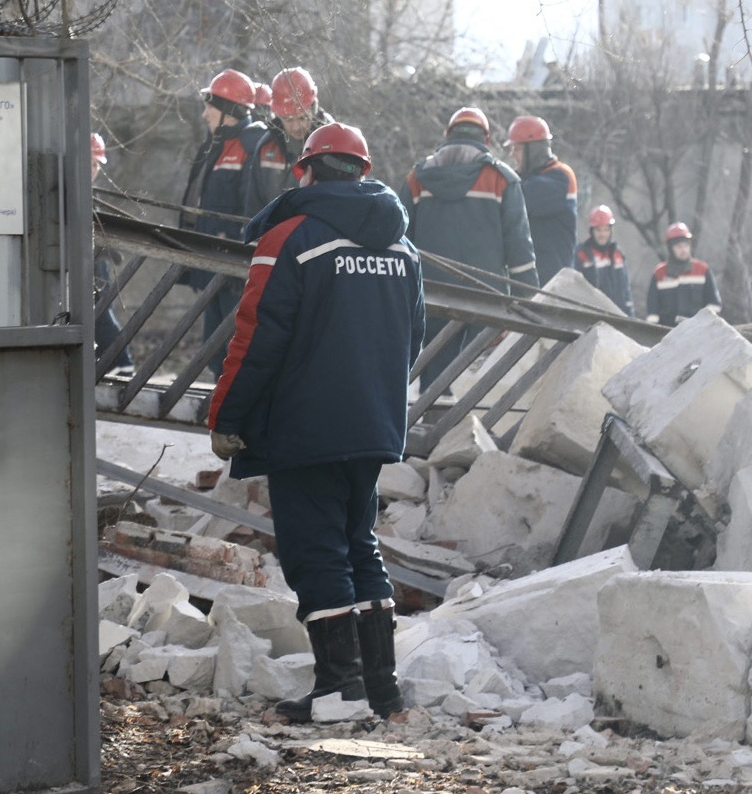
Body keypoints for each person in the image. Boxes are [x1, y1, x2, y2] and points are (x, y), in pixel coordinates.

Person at [207, 122, 423, 723]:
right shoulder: (402, 247)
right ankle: (382, 692)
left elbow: (256, 338)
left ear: (305, 170)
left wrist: (227, 414)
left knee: (315, 552)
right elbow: (413, 338)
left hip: (305, 428)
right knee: (361, 546)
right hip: (373, 426)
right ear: (364, 171)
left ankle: (339, 691)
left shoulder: (291, 236)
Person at [398, 106, 536, 387]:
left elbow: (400, 241)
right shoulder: (502, 179)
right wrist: (527, 300)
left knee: (435, 379)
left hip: (431, 297)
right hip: (486, 298)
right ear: (485, 139)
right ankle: (468, 428)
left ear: (448, 135)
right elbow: (518, 245)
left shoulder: (417, 178)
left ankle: (432, 423)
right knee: (475, 383)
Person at [179, 68, 267, 376]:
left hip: (235, 268)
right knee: (215, 349)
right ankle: (218, 412)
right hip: (212, 262)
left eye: (210, 106)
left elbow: (253, 208)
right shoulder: (214, 145)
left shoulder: (252, 144)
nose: (204, 115)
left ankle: (230, 415)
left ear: (228, 110)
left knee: (234, 348)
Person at [243, 67, 335, 213]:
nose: (296, 126)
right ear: (277, 114)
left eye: (302, 117)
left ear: (313, 108)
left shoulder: (335, 144)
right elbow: (254, 206)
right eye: (288, 119)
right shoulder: (266, 146)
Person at [505, 115, 577, 285]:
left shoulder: (560, 176)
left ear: (534, 150)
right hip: (531, 281)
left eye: (517, 149)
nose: (512, 155)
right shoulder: (528, 179)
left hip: (553, 285)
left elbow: (518, 198)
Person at [91, 132, 133, 374]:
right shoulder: (71, 191)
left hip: (97, 265)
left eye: (96, 165)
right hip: (87, 266)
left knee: (103, 311)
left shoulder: (90, 192)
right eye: (90, 164)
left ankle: (120, 364)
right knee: (100, 313)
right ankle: (118, 363)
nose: (94, 170)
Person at [646, 222, 721, 326]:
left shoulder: (702, 270)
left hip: (698, 332)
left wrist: (704, 324)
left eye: (686, 246)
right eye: (679, 247)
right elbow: (652, 312)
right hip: (667, 333)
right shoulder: (659, 274)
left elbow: (714, 304)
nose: (684, 250)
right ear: (670, 248)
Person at [573, 203, 634, 316]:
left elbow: (626, 293)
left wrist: (631, 319)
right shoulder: (581, 255)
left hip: (618, 317)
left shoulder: (618, 255)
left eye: (606, 230)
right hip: (591, 317)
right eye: (599, 230)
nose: (603, 234)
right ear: (592, 231)